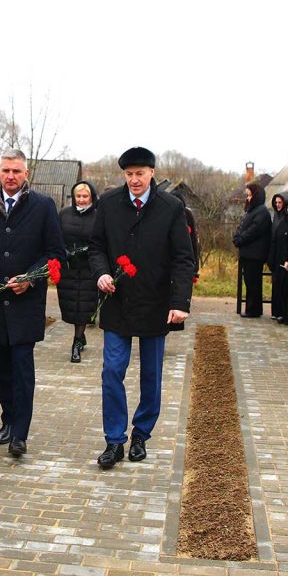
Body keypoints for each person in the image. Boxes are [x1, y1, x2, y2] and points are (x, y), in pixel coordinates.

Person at [89, 147, 194, 468]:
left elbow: (183, 258)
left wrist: (180, 302)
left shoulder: (171, 207)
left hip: (155, 303)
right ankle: (114, 439)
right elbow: (96, 247)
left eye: (140, 173)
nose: (134, 180)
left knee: (151, 375)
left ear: (151, 173)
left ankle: (141, 435)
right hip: (118, 303)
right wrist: (102, 272)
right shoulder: (108, 203)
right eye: (129, 174)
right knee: (112, 371)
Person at [0, 148, 65, 458]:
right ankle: (7, 417)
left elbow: (55, 253)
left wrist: (31, 277)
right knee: (1, 371)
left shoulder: (43, 206)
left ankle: (20, 432)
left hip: (25, 305)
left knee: (21, 369)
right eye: (6, 171)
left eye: (17, 171)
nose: (11, 176)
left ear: (26, 173)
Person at [57, 181, 100, 362]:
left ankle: (76, 343)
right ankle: (80, 336)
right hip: (69, 268)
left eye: (85, 196)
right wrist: (63, 252)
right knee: (70, 305)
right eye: (78, 196)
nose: (81, 200)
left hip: (89, 268)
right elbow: (56, 237)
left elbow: (101, 241)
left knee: (84, 306)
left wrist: (88, 251)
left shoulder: (99, 216)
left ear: (92, 197)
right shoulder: (64, 214)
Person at [233, 181, 271, 318]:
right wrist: (237, 236)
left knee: (253, 283)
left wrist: (240, 239)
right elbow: (243, 227)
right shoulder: (252, 211)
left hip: (255, 255)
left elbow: (253, 230)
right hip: (248, 253)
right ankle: (252, 308)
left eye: (249, 195)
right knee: (249, 282)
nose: (247, 198)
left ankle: (253, 309)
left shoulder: (262, 212)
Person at [268, 193, 288, 325]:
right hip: (279, 259)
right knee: (279, 288)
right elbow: (274, 241)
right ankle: (280, 313)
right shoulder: (281, 222)